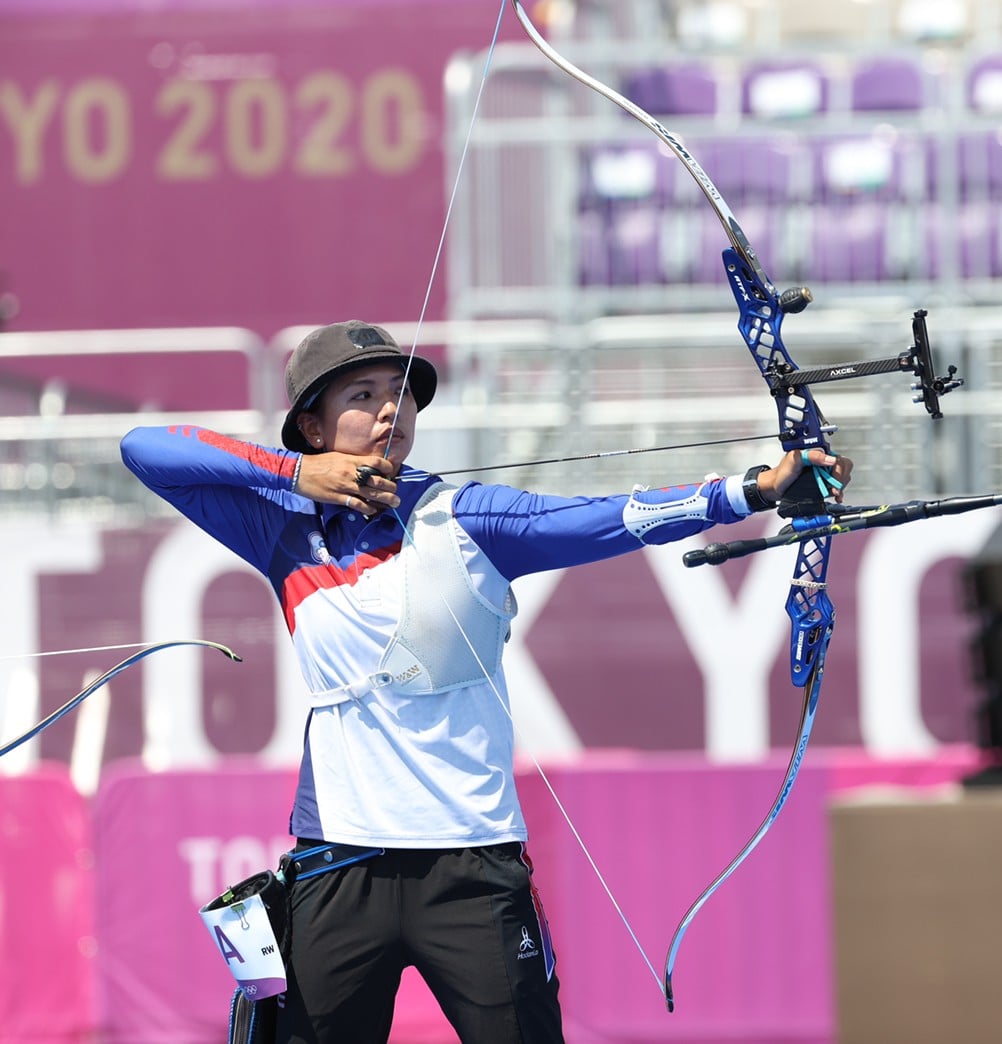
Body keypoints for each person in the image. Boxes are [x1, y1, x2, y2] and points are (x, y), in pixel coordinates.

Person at [119, 319, 852, 1044]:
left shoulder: (466, 517)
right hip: (338, 864)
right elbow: (142, 449)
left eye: (400, 394)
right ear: (311, 426)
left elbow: (616, 518)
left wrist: (753, 490)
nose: (388, 410)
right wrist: (293, 474)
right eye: (362, 394)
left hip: (471, 865)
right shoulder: (278, 526)